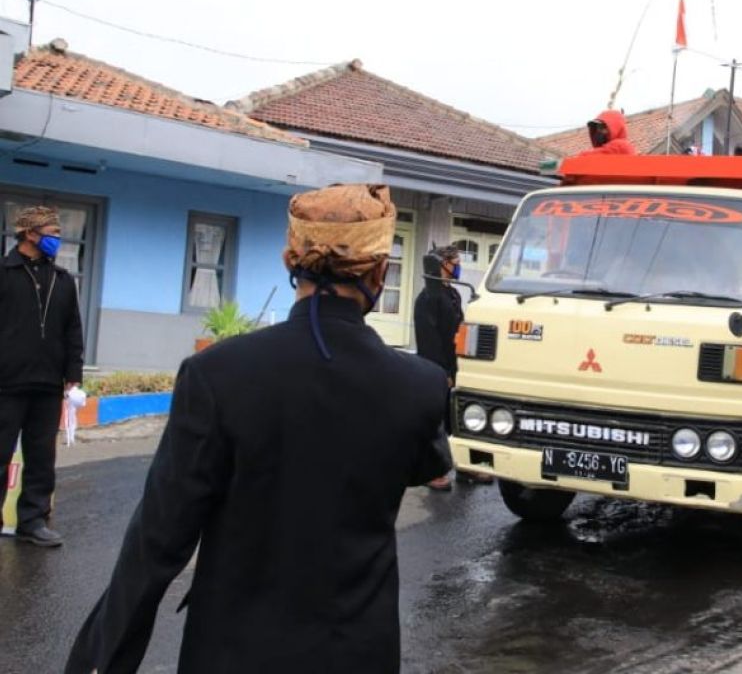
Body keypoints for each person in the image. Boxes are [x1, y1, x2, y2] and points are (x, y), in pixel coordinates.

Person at [66, 184, 452, 674]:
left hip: (232, 648)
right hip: (357, 650)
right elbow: (428, 465)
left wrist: (101, 660)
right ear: (379, 271)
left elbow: (159, 537)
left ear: (291, 260)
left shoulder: (217, 373)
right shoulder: (420, 384)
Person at [0, 206, 83, 548]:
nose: (57, 240)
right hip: (5, 383)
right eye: (51, 233)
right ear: (30, 234)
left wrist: (73, 374)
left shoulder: (62, 280)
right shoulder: (4, 274)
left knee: (41, 456)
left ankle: (32, 521)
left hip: (48, 384)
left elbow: (73, 330)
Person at [414, 245, 491, 489]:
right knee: (435, 421)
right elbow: (429, 339)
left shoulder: (453, 294)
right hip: (437, 368)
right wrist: (442, 372)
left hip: (458, 366)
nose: (458, 266)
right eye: (455, 262)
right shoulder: (428, 299)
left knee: (459, 418)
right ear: (442, 265)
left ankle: (466, 468)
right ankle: (431, 472)